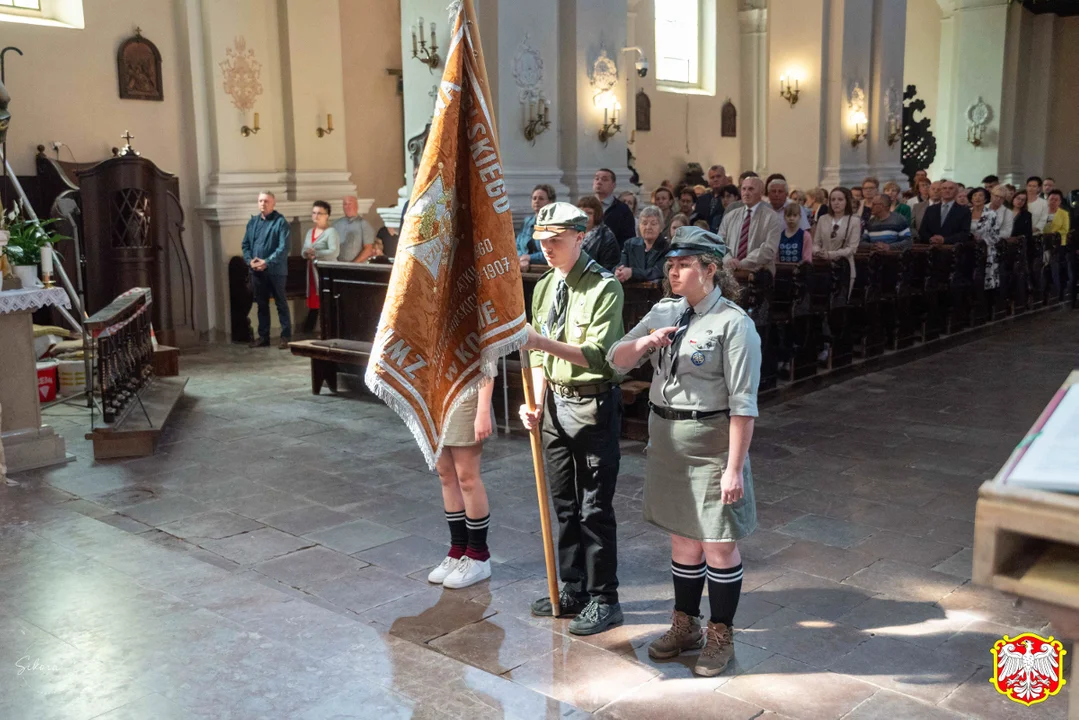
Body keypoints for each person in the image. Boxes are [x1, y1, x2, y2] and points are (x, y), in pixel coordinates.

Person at [607, 226, 761, 677]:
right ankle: (685, 624)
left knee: (718, 544)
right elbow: (617, 357)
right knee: (681, 538)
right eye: (671, 264)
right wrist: (645, 343)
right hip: (667, 441)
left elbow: (743, 404)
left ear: (710, 269)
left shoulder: (734, 324)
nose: (673, 271)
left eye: (684, 265)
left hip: (712, 444)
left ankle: (721, 633)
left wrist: (734, 468)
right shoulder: (664, 311)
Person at [519, 202, 625, 636]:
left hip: (593, 405)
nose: (546, 248)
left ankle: (605, 598)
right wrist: (536, 402)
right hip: (556, 407)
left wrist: (539, 339)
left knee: (593, 507)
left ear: (580, 237)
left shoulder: (604, 288)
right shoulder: (545, 286)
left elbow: (598, 357)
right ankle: (575, 586)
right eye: (541, 241)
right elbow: (540, 356)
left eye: (555, 241)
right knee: (563, 502)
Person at [428, 376, 496, 589]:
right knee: (445, 474)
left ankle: (478, 554)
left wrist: (483, 409)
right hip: (434, 395)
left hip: (467, 393)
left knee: (467, 477)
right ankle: (458, 550)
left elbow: (487, 358)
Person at [242, 191, 292, 349]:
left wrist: (267, 262)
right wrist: (250, 261)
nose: (263, 204)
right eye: (260, 201)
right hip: (257, 271)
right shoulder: (253, 222)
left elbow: (283, 248)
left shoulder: (280, 222)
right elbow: (246, 245)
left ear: (273, 203)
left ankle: (285, 336)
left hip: (276, 271)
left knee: (281, 303)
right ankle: (264, 337)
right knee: (261, 304)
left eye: (266, 201)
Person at [527, 196, 620, 272]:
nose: (585, 217)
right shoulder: (569, 232)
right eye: (581, 213)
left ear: (597, 215)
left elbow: (609, 266)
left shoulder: (606, 236)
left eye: (589, 213)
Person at [717, 176, 783, 274]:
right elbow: (719, 243)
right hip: (730, 273)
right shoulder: (730, 216)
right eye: (744, 189)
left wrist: (742, 263)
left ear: (761, 192)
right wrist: (728, 260)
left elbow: (769, 249)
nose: (746, 193)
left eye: (751, 189)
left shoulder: (772, 217)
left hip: (759, 275)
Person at [301, 201, 341, 334]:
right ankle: (310, 330)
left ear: (327, 215)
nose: (316, 216)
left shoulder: (331, 232)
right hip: (312, 272)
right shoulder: (309, 232)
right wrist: (307, 253)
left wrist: (316, 253)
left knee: (325, 301)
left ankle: (326, 331)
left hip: (325, 271)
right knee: (314, 300)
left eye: (319, 213)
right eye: (314, 213)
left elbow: (334, 252)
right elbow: (304, 251)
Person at [814, 187, 861, 292]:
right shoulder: (823, 219)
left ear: (846, 201)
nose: (836, 203)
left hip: (844, 268)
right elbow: (816, 243)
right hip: (824, 267)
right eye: (833, 200)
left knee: (839, 303)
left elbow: (852, 249)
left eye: (840, 200)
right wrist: (817, 252)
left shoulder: (854, 221)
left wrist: (830, 254)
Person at [617, 205, 670, 283]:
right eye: (644, 223)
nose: (648, 227)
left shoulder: (667, 247)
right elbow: (621, 265)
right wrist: (618, 271)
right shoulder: (630, 245)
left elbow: (658, 272)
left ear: (661, 227)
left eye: (653, 224)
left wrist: (632, 272)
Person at [920, 180, 971, 246]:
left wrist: (944, 240)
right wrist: (930, 239)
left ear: (956, 192)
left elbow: (964, 233)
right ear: (940, 191)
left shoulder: (964, 211)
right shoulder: (930, 209)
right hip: (931, 249)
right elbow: (922, 230)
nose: (947, 190)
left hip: (953, 250)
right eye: (944, 188)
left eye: (951, 188)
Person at [518, 184, 557, 270]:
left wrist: (529, 258)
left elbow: (554, 252)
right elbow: (517, 246)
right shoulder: (527, 222)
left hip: (547, 271)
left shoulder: (555, 224)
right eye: (534, 198)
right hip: (525, 270)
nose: (536, 201)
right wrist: (522, 258)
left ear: (550, 202)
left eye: (541, 198)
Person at [969, 187, 1000, 292]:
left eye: (981, 195)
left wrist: (982, 241)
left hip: (986, 249)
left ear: (986, 199)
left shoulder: (991, 214)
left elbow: (995, 235)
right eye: (975, 195)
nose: (977, 198)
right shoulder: (966, 213)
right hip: (969, 247)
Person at [594, 168, 636, 244]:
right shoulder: (585, 206)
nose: (599, 182)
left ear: (613, 185)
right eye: (597, 178)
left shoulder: (622, 210)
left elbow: (628, 240)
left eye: (604, 179)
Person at [334, 195, 379, 263]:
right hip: (337, 267)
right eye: (345, 204)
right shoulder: (336, 224)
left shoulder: (364, 224)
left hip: (357, 268)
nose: (347, 207)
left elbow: (368, 249)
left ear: (356, 206)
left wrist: (353, 265)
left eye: (350, 204)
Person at [694, 165, 729, 232]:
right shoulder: (701, 200)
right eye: (712, 177)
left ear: (725, 178)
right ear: (709, 181)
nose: (715, 179)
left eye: (718, 176)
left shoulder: (731, 198)